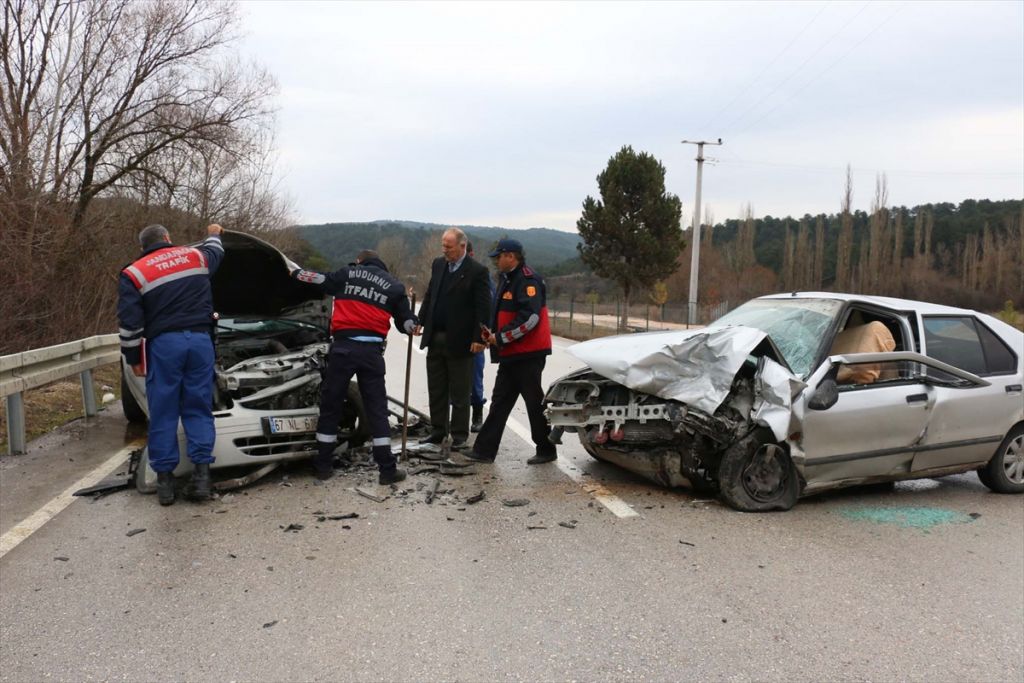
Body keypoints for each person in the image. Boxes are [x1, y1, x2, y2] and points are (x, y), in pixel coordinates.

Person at [117, 223, 226, 506]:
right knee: (198, 407)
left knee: (163, 412)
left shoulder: (134, 273)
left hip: (165, 346)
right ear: (168, 238)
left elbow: (130, 324)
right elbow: (216, 251)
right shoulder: (196, 256)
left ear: (142, 247)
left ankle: (165, 484)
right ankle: (201, 477)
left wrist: (133, 359)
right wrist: (214, 233)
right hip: (200, 342)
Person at [292, 250, 418, 485]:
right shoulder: (394, 286)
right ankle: (387, 470)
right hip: (371, 354)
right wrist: (413, 324)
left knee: (331, 405)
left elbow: (318, 279)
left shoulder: (346, 274)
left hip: (343, 351)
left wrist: (293, 272)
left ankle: (323, 466)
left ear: (360, 262)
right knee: (377, 409)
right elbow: (406, 322)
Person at [452, 238, 557, 465]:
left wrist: (500, 337)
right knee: (500, 402)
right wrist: (490, 333)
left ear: (511, 256)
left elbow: (530, 319)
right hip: (511, 352)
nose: (496, 261)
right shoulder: (507, 278)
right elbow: (499, 312)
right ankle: (484, 451)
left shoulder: (528, 280)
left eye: (499, 257)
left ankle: (546, 448)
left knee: (533, 402)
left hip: (528, 353)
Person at [416, 228, 491, 449]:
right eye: (443, 246)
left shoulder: (477, 271)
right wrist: (421, 320)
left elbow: (483, 307)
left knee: (460, 391)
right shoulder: (439, 264)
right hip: (435, 337)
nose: (444, 250)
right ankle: (438, 430)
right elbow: (430, 294)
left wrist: (479, 337)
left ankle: (459, 435)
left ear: (462, 246)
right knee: (436, 388)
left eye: (448, 247)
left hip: (461, 340)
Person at [467, 242, 495, 432]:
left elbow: (489, 309)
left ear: (470, 254)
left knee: (475, 379)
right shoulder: (448, 273)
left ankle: (477, 414)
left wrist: (485, 336)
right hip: (454, 337)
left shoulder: (481, 276)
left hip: (475, 337)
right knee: (452, 381)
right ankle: (455, 419)